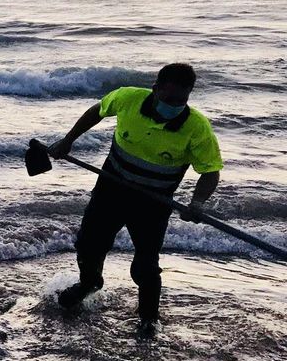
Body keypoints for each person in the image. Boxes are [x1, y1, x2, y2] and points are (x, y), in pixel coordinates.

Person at [47, 63, 222, 335]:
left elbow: (210, 171)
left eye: (181, 101)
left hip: (154, 204)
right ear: (155, 90)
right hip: (110, 190)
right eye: (168, 99)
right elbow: (97, 111)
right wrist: (68, 141)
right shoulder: (128, 98)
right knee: (89, 246)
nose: (174, 106)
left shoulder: (197, 128)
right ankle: (89, 283)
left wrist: (197, 203)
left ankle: (149, 321)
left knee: (145, 268)